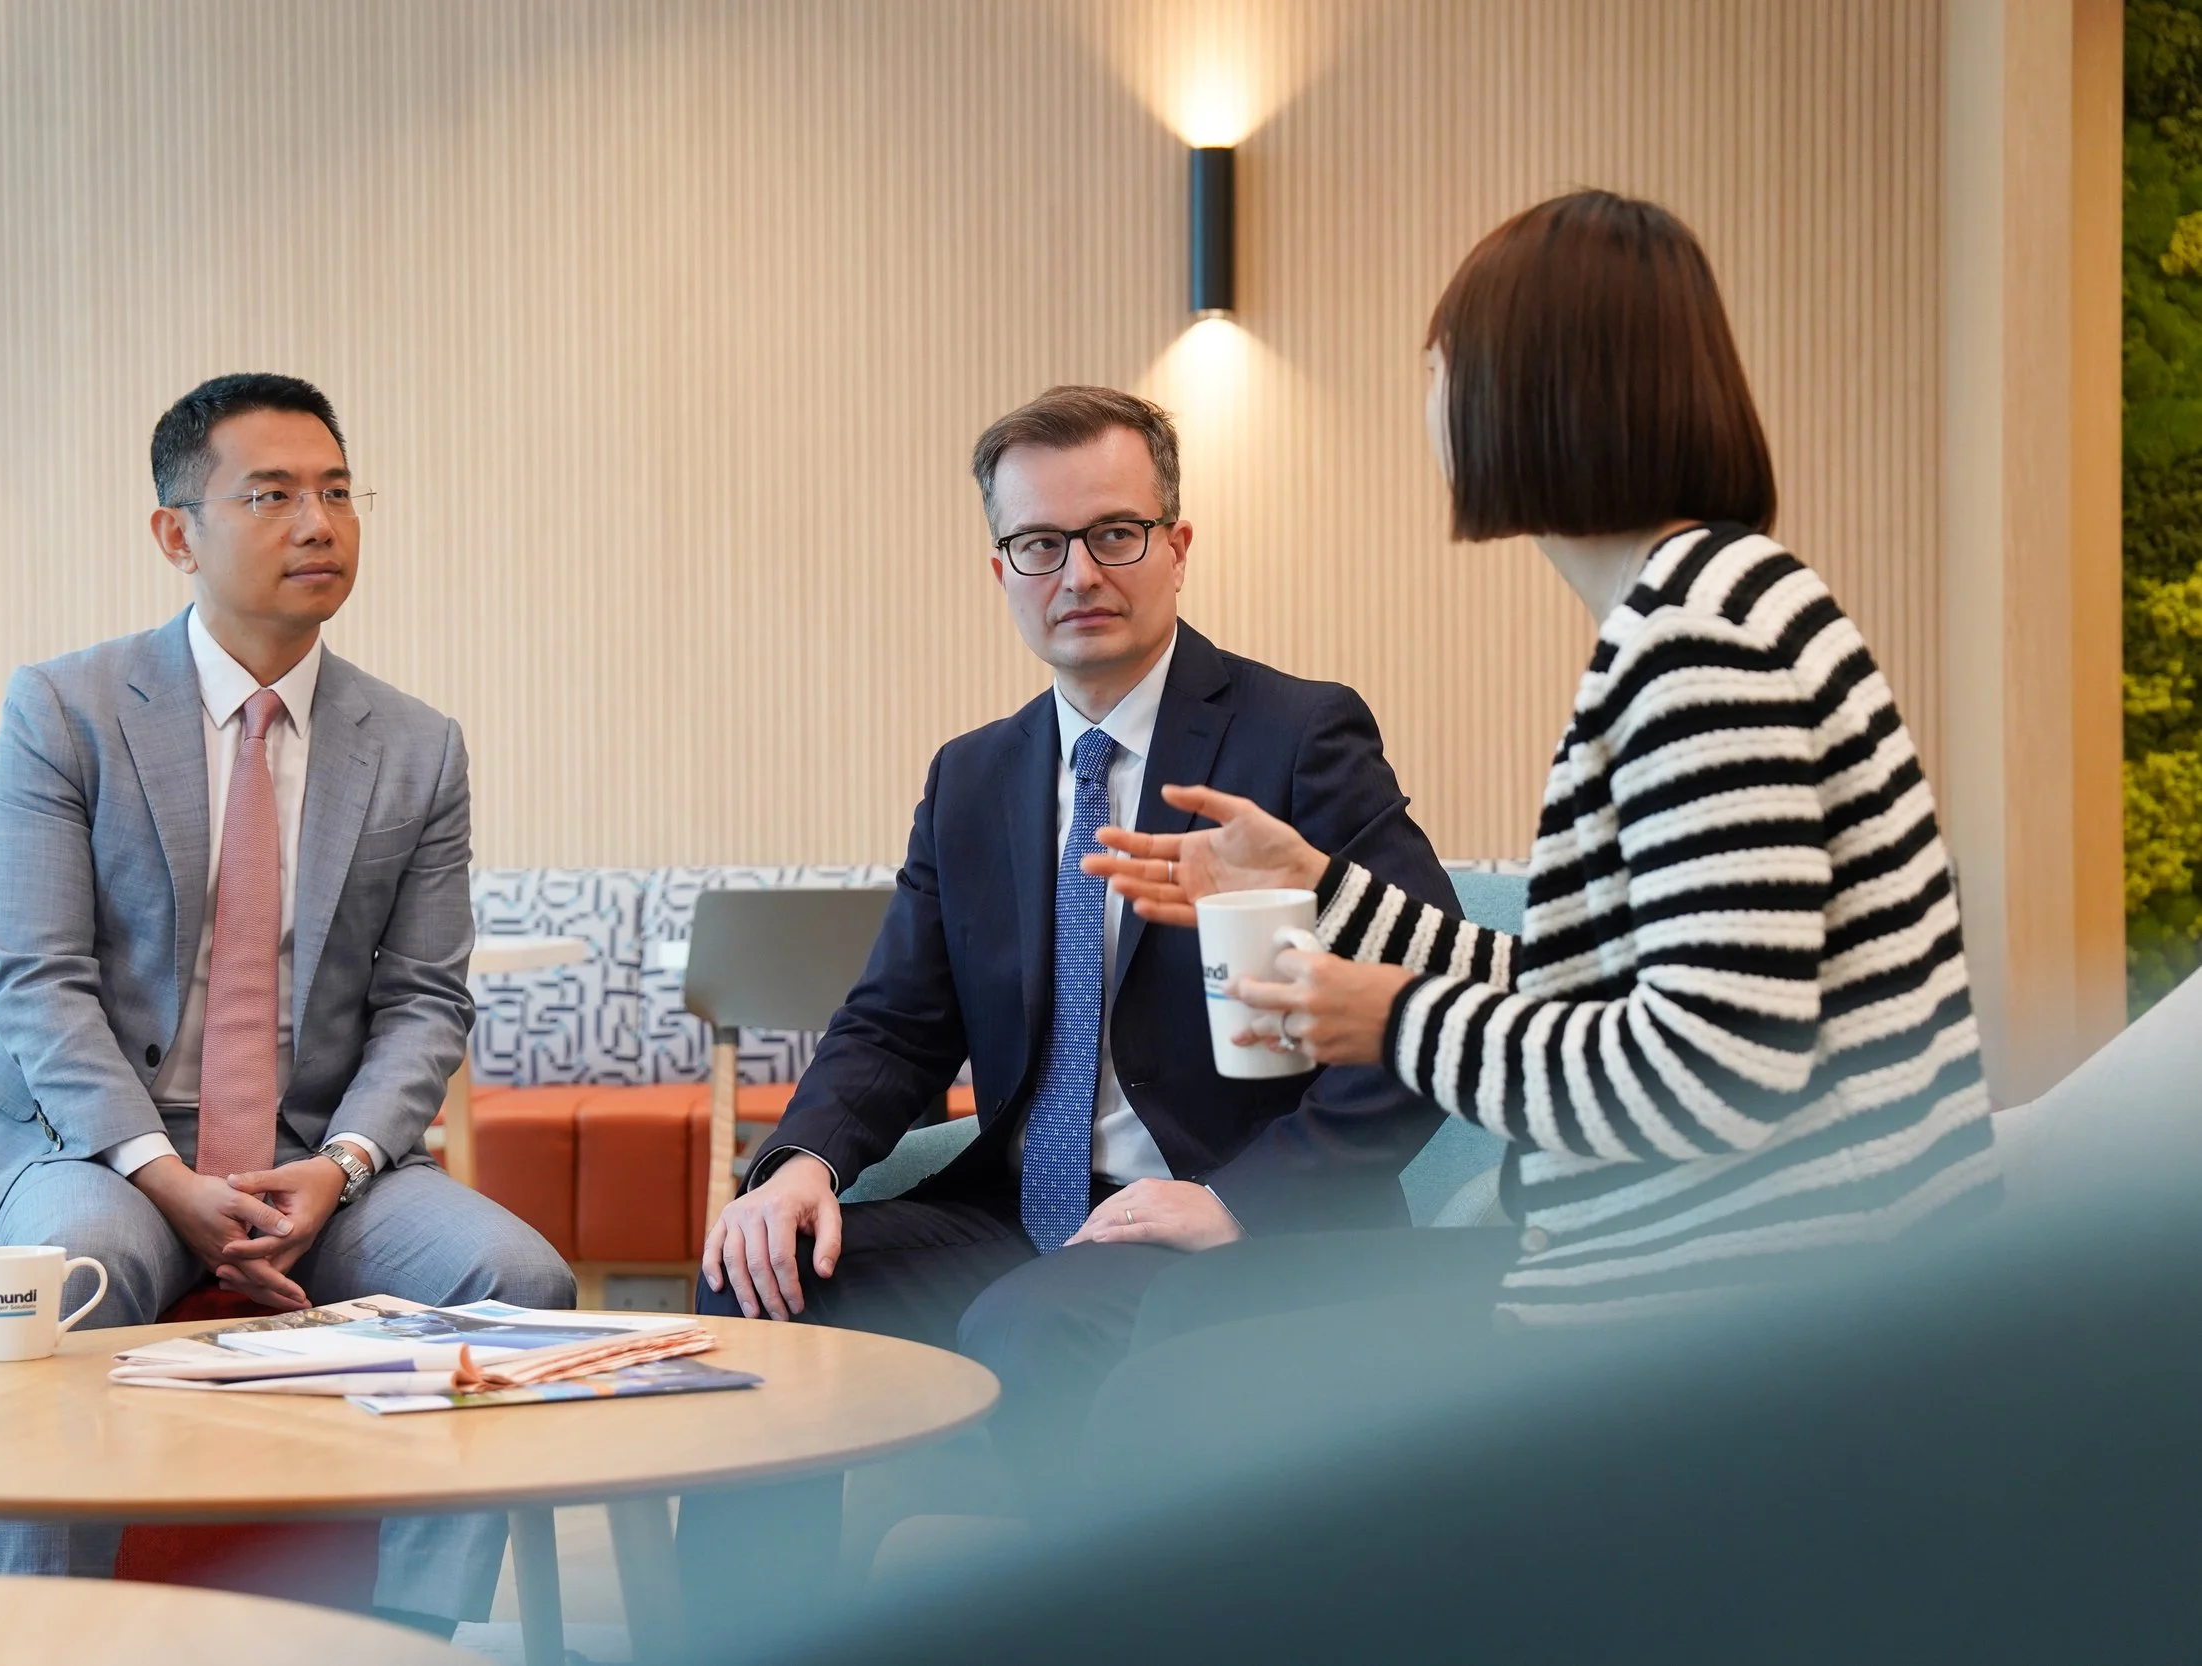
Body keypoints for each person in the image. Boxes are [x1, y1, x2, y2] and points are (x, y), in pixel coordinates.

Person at [1087, 190, 2000, 1348]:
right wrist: (1327, 893)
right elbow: (1618, 995)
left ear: (1523, 391)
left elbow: (1709, 1067)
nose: (1426, 402)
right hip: (1712, 1285)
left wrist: (1398, 1019)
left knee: (1186, 1369)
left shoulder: (1700, 644)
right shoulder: (1710, 605)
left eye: (1439, 364)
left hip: (1751, 1319)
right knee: (1184, 1346)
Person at [686, 384, 1451, 1576]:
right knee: (753, 1277)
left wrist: (1241, 1197)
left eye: (1114, 534)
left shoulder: (1296, 737)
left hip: (1236, 1223)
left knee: (1031, 1327)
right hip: (1032, 1209)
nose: (1078, 573)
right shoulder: (975, 776)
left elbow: (1425, 1006)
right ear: (1000, 570)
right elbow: (894, 1023)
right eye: (1039, 544)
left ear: (1177, 546)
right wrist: (798, 1166)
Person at [0, 372, 574, 1635]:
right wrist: (160, 1170)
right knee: (77, 1262)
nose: (318, 523)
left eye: (338, 492)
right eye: (272, 493)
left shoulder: (416, 743)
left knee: (515, 1273)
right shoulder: (65, 710)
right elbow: (40, 980)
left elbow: (423, 998)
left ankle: (407, 1633)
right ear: (178, 532)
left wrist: (339, 1165)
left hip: (317, 1156)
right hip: (99, 1147)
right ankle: (45, 1633)